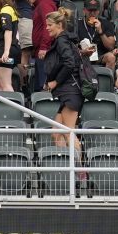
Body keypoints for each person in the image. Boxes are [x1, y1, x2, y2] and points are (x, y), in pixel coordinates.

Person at [42, 9, 84, 151]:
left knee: (68, 132)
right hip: (67, 91)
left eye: (49, 25)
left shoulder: (62, 40)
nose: (47, 28)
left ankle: (80, 171)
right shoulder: (64, 40)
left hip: (70, 91)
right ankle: (65, 166)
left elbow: (69, 63)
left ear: (59, 24)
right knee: (56, 134)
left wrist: (56, 82)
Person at [76, 0, 118, 68]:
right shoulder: (77, 24)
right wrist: (82, 52)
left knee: (111, 57)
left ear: (99, 11)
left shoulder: (106, 23)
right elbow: (71, 46)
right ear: (84, 10)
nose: (92, 13)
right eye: (90, 10)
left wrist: (100, 32)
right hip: (82, 56)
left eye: (95, 10)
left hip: (100, 57)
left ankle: (107, 79)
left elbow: (111, 47)